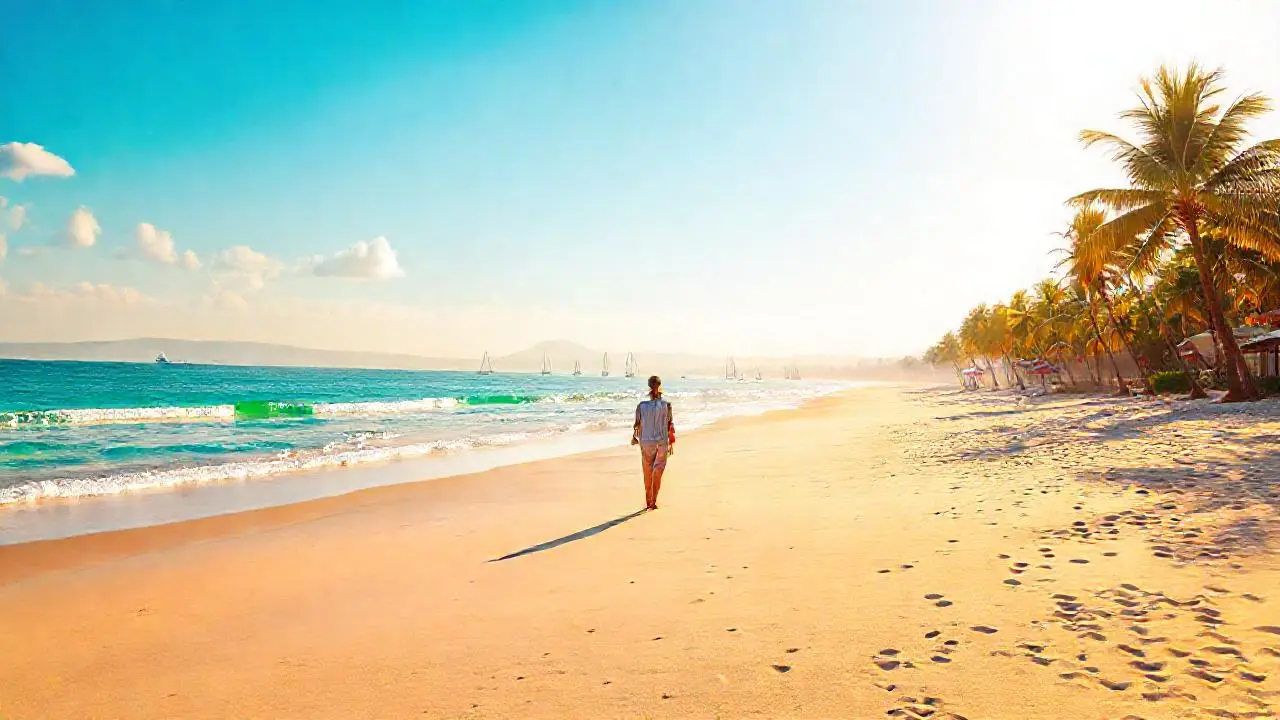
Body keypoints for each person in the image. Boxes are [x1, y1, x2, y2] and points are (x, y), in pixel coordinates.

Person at [631, 375, 675, 510]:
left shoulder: (641, 406)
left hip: (646, 441)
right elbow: (670, 425)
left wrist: (635, 437)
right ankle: (653, 502)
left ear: (649, 388)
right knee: (658, 470)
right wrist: (671, 443)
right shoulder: (667, 405)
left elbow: (637, 425)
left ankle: (649, 501)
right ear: (660, 387)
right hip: (661, 441)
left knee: (647, 471)